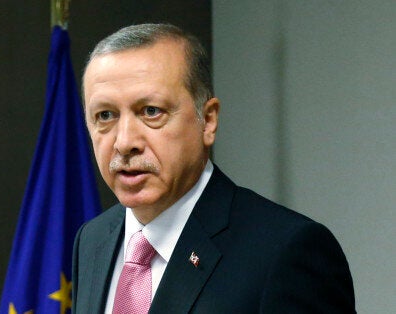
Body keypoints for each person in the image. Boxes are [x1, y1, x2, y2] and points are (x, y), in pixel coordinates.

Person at [71, 23, 355, 313]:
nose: (125, 142)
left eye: (151, 111)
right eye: (105, 115)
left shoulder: (286, 252)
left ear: (207, 121)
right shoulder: (93, 240)